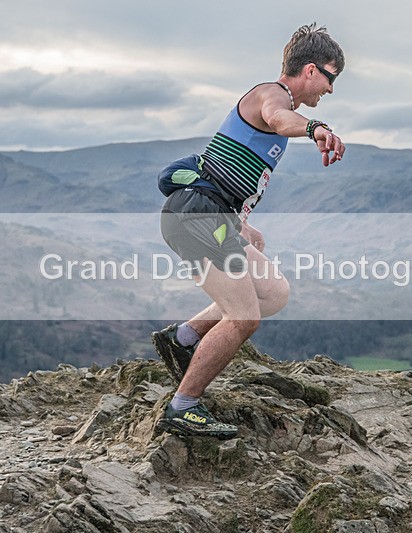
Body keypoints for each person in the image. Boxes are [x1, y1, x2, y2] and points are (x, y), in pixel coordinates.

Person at [153, 23, 345, 439]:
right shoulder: (271, 96)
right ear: (310, 70)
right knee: (244, 317)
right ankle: (182, 407)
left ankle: (183, 338)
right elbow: (279, 120)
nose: (330, 89)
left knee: (273, 292)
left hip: (214, 217)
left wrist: (243, 222)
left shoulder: (276, 103)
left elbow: (228, 175)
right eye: (331, 78)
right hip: (196, 217)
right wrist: (316, 128)